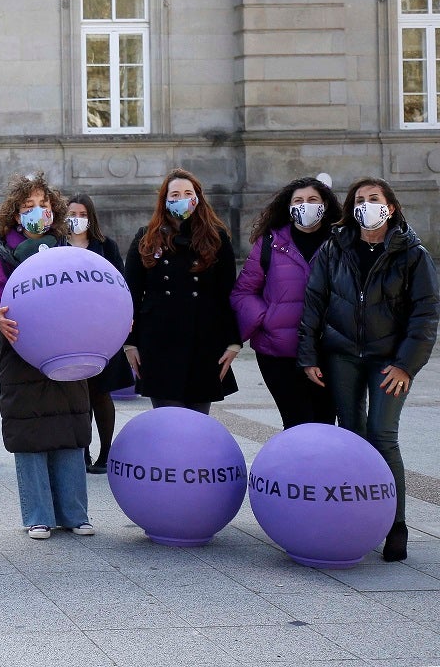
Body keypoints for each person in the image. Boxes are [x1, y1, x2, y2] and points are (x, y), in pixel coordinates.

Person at [297, 176, 438, 563]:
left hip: (389, 361)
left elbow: (425, 314)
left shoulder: (412, 253)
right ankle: (357, 518)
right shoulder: (335, 247)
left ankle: (396, 525)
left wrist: (406, 365)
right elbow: (315, 301)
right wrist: (308, 356)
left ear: (390, 207)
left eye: (373, 199)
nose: (365, 205)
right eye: (359, 199)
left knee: (383, 435)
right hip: (341, 355)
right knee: (352, 436)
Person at [0, 173, 93, 539]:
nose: (37, 211)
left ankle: (75, 514)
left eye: (43, 205)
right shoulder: (2, 255)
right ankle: (38, 515)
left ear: (53, 211)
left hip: (64, 351)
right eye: (28, 206)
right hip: (22, 355)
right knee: (29, 433)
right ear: (15, 215)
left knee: (69, 429)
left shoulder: (66, 250)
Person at [123, 168, 242, 413]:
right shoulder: (146, 238)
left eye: (188, 193)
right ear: (165, 200)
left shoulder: (216, 238)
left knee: (197, 422)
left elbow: (227, 294)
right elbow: (130, 294)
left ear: (197, 198)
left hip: (204, 342)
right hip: (158, 343)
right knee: (168, 420)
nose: (182, 199)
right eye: (175, 194)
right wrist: (129, 343)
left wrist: (233, 342)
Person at [230, 177, 342, 429]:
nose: (305, 205)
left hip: (328, 351)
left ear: (325, 205)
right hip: (279, 353)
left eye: (312, 200)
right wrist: (266, 318)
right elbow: (244, 291)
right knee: (296, 423)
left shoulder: (341, 242)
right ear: (289, 207)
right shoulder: (270, 242)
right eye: (298, 201)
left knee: (324, 424)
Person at [63, 192, 134, 473]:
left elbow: (121, 283)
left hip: (102, 329)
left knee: (101, 392)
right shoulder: (56, 245)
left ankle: (105, 453)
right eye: (72, 214)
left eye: (82, 214)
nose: (77, 219)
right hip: (69, 331)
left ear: (91, 218)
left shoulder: (106, 246)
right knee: (76, 394)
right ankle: (81, 452)